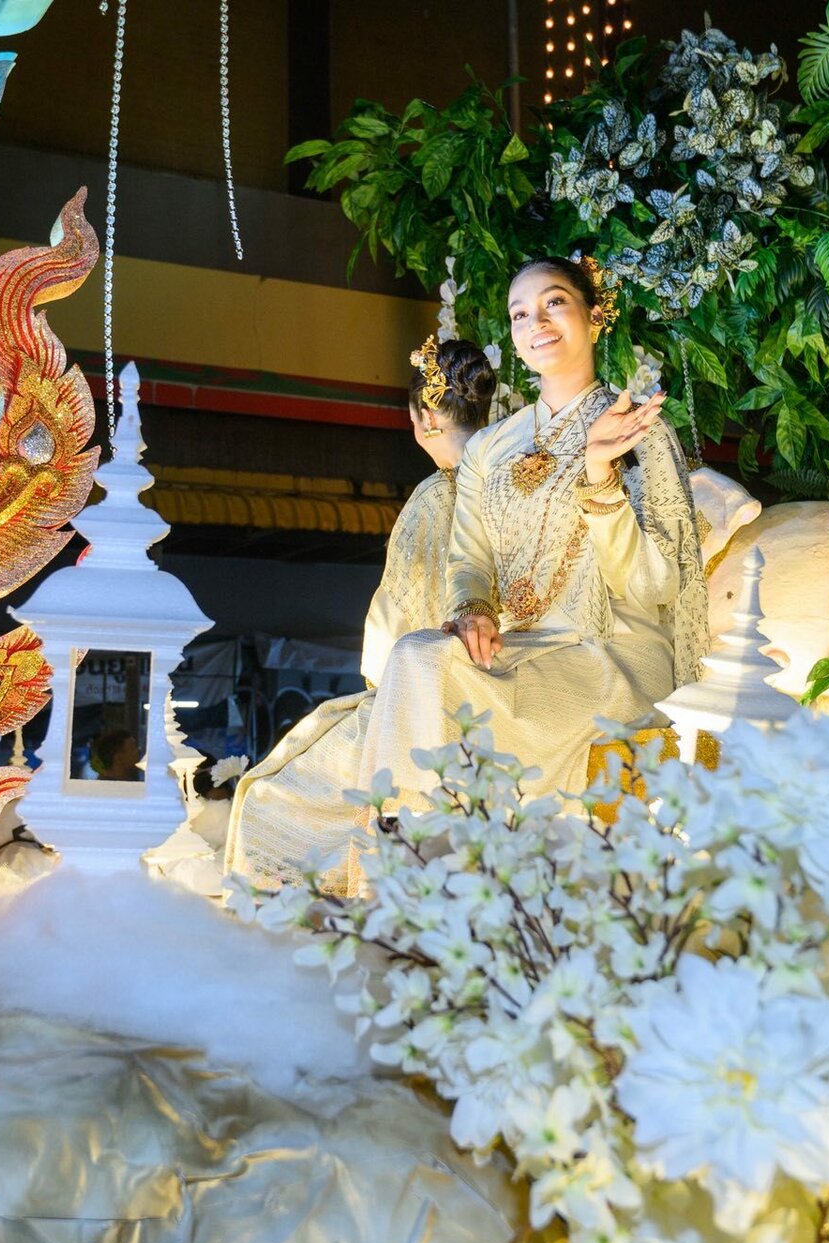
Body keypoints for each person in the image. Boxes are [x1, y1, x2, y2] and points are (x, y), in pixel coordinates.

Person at [361, 255, 708, 810]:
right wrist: (474, 612)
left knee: (428, 686)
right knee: (415, 656)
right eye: (519, 314)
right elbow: (469, 558)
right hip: (521, 648)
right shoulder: (489, 447)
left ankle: (430, 845)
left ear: (595, 316)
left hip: (613, 656)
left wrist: (600, 475)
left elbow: (653, 587)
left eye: (555, 303)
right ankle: (408, 845)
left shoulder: (639, 430)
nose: (536, 323)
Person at [223, 337, 495, 892]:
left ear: (425, 418)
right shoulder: (511, 482)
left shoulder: (435, 496)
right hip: (507, 687)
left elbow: (397, 619)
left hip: (428, 697)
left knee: (270, 798)